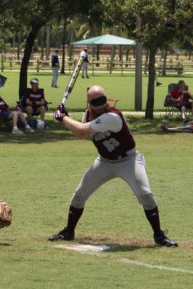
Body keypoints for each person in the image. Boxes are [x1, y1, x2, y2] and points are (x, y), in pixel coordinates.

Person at [49, 85, 178, 247]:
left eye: (102, 100)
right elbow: (81, 134)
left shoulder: (113, 116)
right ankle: (69, 231)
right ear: (88, 103)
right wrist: (66, 118)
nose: (100, 104)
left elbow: (81, 131)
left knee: (145, 194)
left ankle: (159, 236)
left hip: (128, 161)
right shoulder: (88, 114)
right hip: (104, 161)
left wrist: (63, 117)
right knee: (79, 194)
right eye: (96, 102)